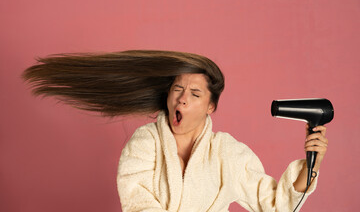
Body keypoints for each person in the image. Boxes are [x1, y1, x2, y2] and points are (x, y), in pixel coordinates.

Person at [23, 50, 328, 212]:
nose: (182, 98)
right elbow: (138, 203)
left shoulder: (228, 153)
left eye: (195, 94)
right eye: (178, 89)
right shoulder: (145, 143)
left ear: (211, 107)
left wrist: (310, 166)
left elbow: (276, 204)